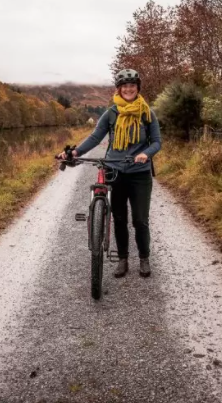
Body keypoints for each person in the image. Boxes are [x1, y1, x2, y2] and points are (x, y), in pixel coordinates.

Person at [58, 69, 161, 278]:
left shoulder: (147, 113)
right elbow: (96, 137)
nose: (128, 89)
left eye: (132, 85)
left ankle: (144, 258)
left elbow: (157, 142)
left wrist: (145, 154)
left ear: (137, 88)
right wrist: (75, 152)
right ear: (119, 89)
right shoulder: (112, 113)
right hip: (114, 170)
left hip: (139, 173)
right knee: (120, 218)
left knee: (140, 219)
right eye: (125, 86)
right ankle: (122, 259)